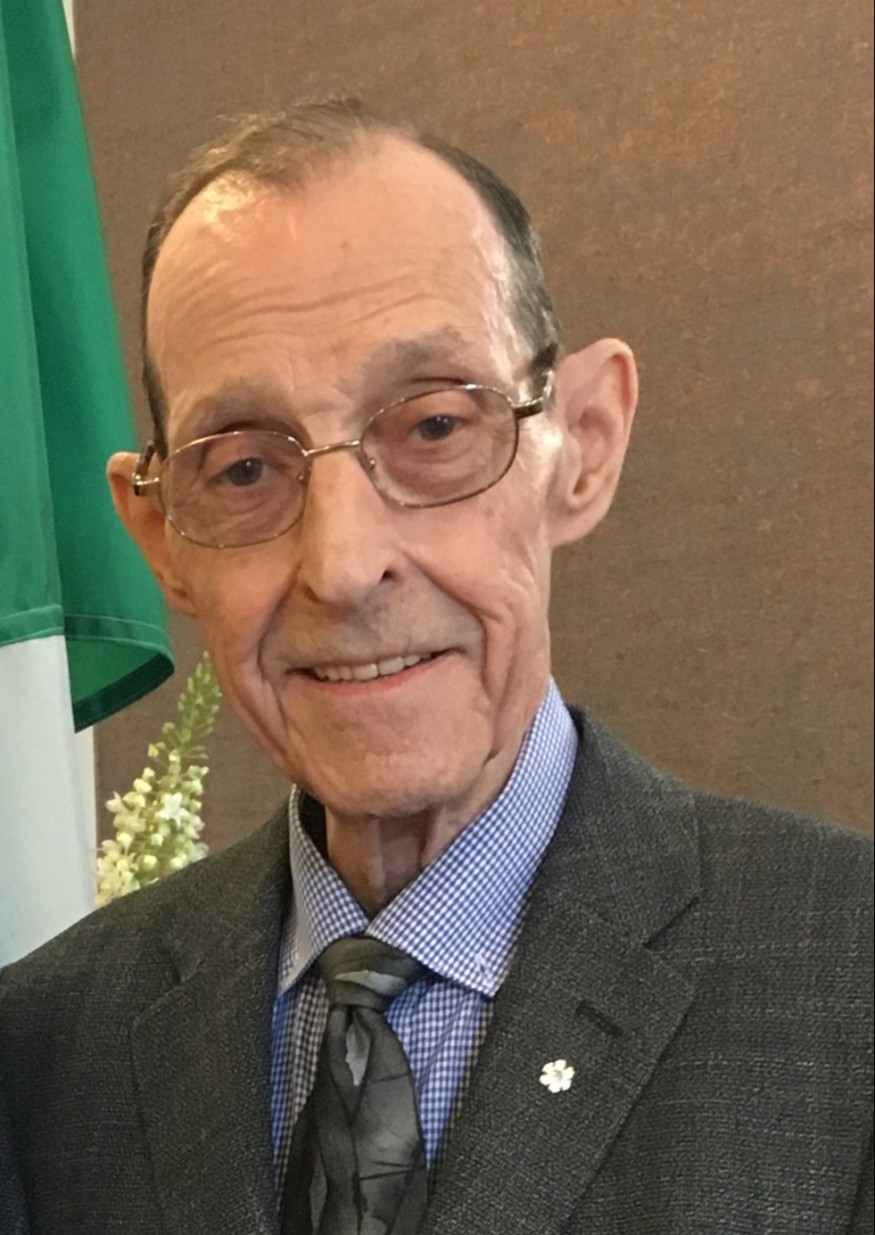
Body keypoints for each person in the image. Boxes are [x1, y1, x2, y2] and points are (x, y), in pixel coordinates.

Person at [0, 99, 871, 1235]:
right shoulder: (41, 1055)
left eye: (432, 428)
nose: (342, 566)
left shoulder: (844, 982)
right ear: (162, 536)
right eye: (246, 467)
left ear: (583, 444)